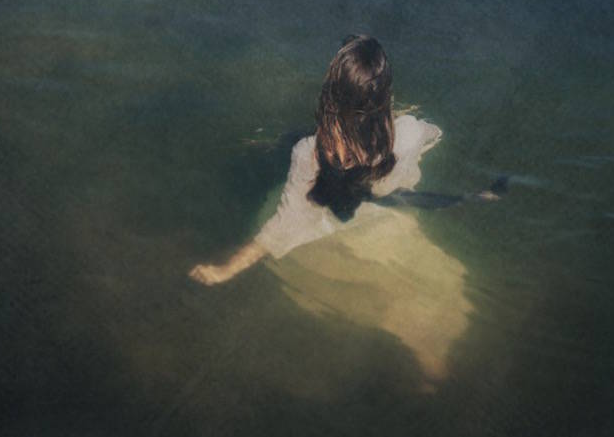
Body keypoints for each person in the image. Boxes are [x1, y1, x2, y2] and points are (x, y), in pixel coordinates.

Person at [188, 34, 453, 286]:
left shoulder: (309, 153)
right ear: (385, 99)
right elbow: (434, 135)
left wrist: (226, 269)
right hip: (389, 223)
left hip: (339, 244)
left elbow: (285, 224)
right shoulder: (410, 132)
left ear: (329, 95)